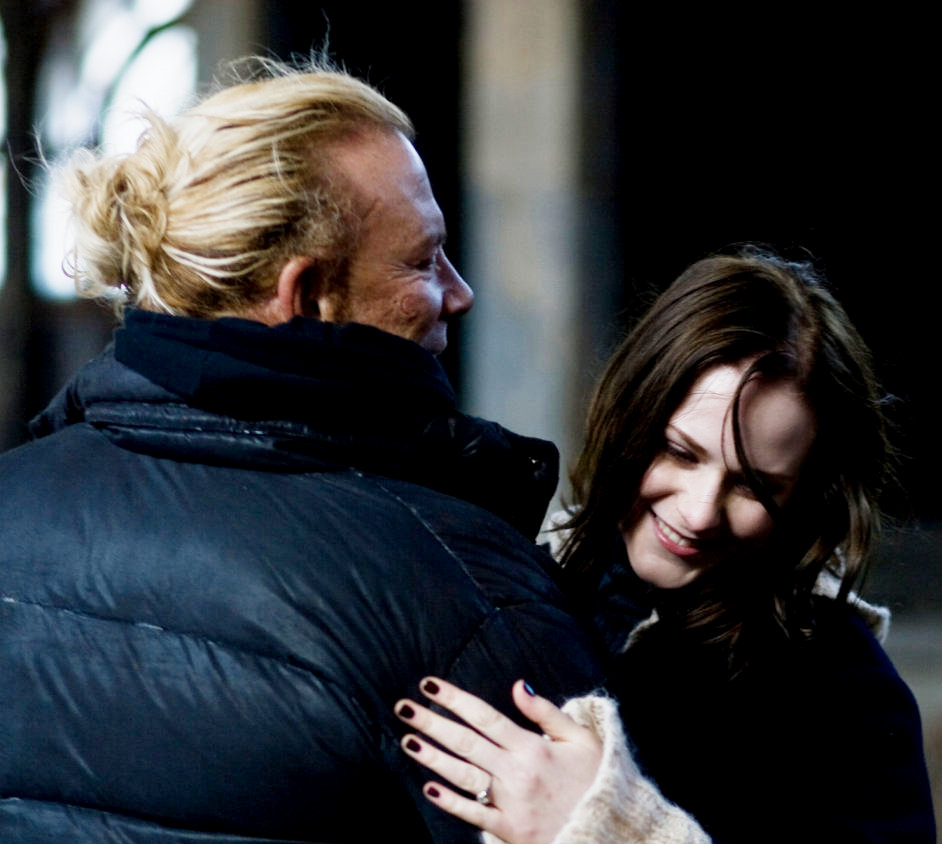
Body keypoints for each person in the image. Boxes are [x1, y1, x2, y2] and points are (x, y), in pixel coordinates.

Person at [0, 59, 603, 843]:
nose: (460, 294)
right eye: (423, 260)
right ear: (307, 295)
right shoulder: (460, 592)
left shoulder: (10, 500)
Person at [395, 249, 938, 842]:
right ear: (630, 413)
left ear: (805, 496)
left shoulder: (842, 692)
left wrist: (617, 830)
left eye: (753, 487)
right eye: (680, 452)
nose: (700, 513)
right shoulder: (528, 574)